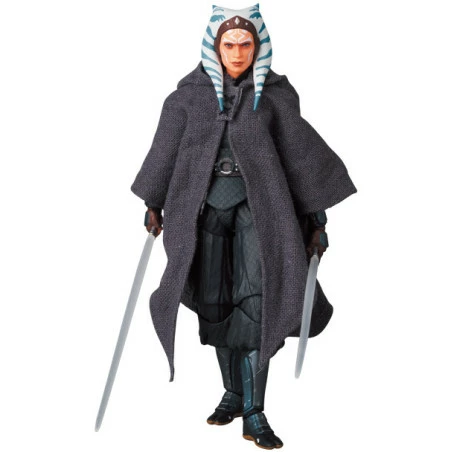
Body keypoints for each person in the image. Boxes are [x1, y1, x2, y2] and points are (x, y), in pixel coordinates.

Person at [131, 5, 356, 450]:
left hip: (261, 216)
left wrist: (317, 221)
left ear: (259, 46)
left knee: (257, 304)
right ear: (215, 46)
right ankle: (232, 394)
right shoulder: (188, 97)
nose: (237, 53)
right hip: (204, 215)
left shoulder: (274, 97)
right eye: (229, 44)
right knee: (215, 305)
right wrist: (153, 202)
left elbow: (300, 161)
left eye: (246, 44)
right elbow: (166, 151)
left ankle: (255, 411)